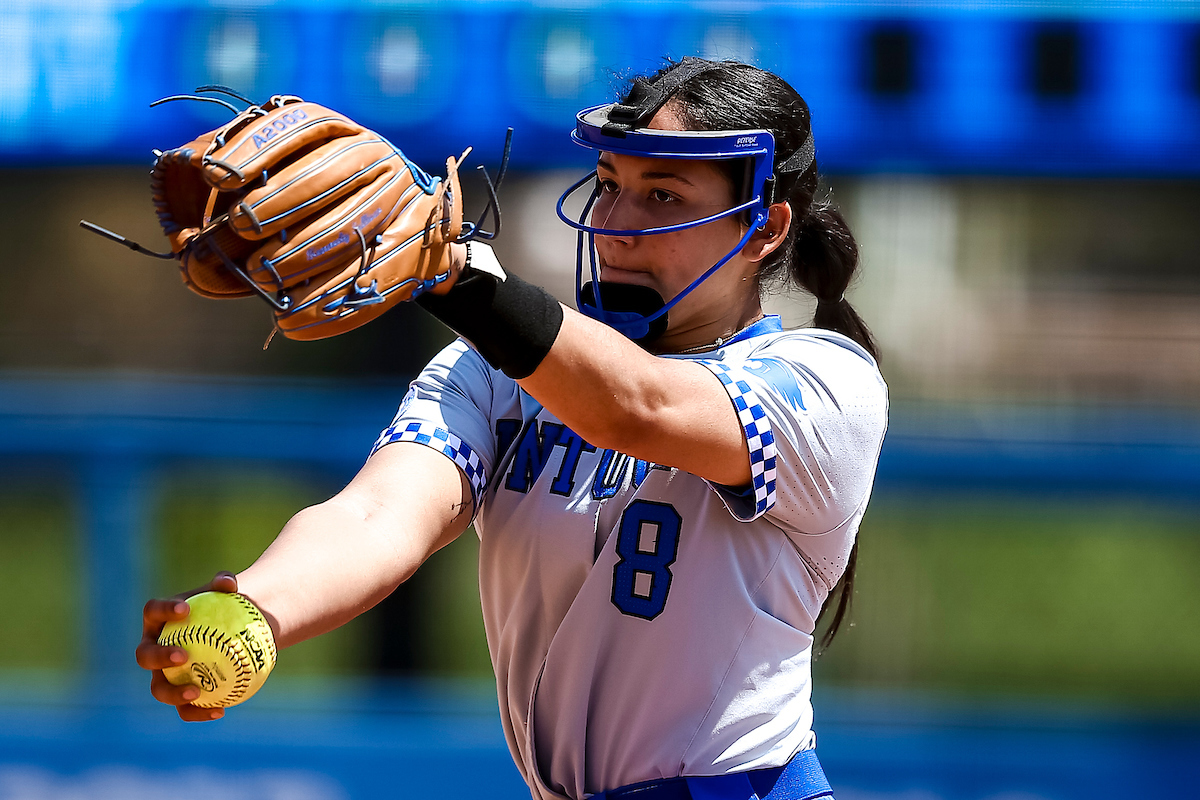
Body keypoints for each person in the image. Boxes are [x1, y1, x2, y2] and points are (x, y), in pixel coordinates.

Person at [136, 57, 888, 800]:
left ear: (765, 227)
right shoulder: (498, 371)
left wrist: (457, 273)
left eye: (662, 195)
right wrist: (259, 606)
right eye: (610, 187)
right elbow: (377, 515)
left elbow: (639, 407)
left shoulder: (823, 382)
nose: (617, 226)